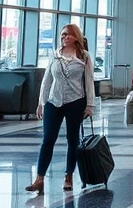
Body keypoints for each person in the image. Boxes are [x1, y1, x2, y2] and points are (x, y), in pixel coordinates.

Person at [25, 23, 95, 194]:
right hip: (53, 101)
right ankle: (40, 178)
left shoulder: (84, 57)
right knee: (48, 139)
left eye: (68, 35)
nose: (64, 37)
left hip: (75, 101)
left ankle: (69, 176)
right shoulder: (55, 55)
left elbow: (89, 81)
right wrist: (42, 102)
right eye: (62, 35)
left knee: (73, 140)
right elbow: (47, 79)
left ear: (76, 37)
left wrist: (90, 104)